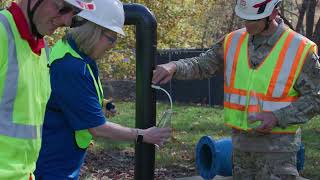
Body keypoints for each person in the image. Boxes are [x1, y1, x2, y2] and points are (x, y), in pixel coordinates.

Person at [153, 0, 320, 179]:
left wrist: (278, 116)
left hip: (278, 152)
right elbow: (202, 64)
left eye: (252, 20)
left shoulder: (299, 48)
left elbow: (316, 97)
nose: (246, 24)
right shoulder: (233, 40)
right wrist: (174, 66)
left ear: (272, 15)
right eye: (244, 18)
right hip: (240, 148)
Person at [34, 0, 171, 179]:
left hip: (61, 160)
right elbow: (97, 128)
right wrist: (143, 135)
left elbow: (72, 98)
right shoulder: (72, 67)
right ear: (95, 31)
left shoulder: (75, 52)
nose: (112, 45)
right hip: (53, 167)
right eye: (112, 38)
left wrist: (103, 105)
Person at [0, 0, 95, 179]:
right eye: (62, 8)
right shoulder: (2, 33)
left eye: (73, 13)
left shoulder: (43, 50)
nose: (67, 21)